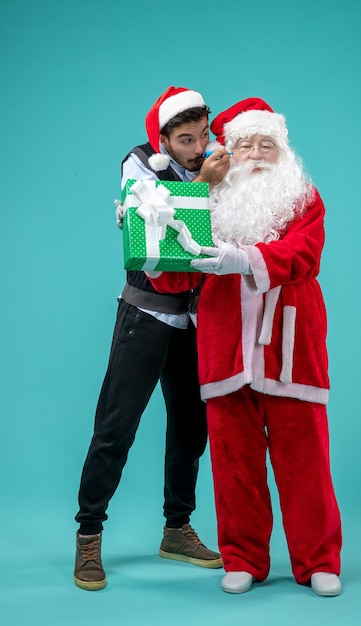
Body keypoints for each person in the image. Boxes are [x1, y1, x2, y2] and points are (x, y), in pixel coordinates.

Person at [147, 97, 343, 596]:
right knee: (234, 462)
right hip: (225, 345)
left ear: (284, 151)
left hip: (292, 346)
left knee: (305, 460)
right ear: (227, 151)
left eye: (267, 144)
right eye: (245, 144)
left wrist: (243, 258)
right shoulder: (206, 201)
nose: (256, 153)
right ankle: (244, 558)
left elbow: (305, 254)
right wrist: (149, 246)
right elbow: (174, 271)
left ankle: (319, 560)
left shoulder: (304, 198)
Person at [74, 86, 231, 591]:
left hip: (192, 321)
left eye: (203, 135)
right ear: (161, 137)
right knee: (115, 427)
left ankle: (176, 529)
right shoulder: (140, 164)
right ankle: (89, 536)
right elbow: (161, 244)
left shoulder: (213, 160)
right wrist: (203, 186)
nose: (196, 147)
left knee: (192, 429)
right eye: (185, 139)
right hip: (144, 315)